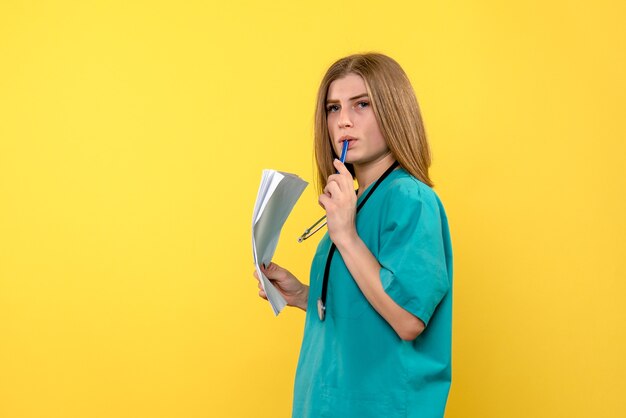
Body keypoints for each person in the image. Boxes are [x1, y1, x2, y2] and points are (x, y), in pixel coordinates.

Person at [253, 53, 453, 418]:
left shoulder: (411, 199)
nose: (344, 121)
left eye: (362, 104)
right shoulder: (354, 203)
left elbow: (408, 318)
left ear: (394, 110)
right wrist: (302, 295)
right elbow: (365, 305)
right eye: (333, 108)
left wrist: (345, 234)